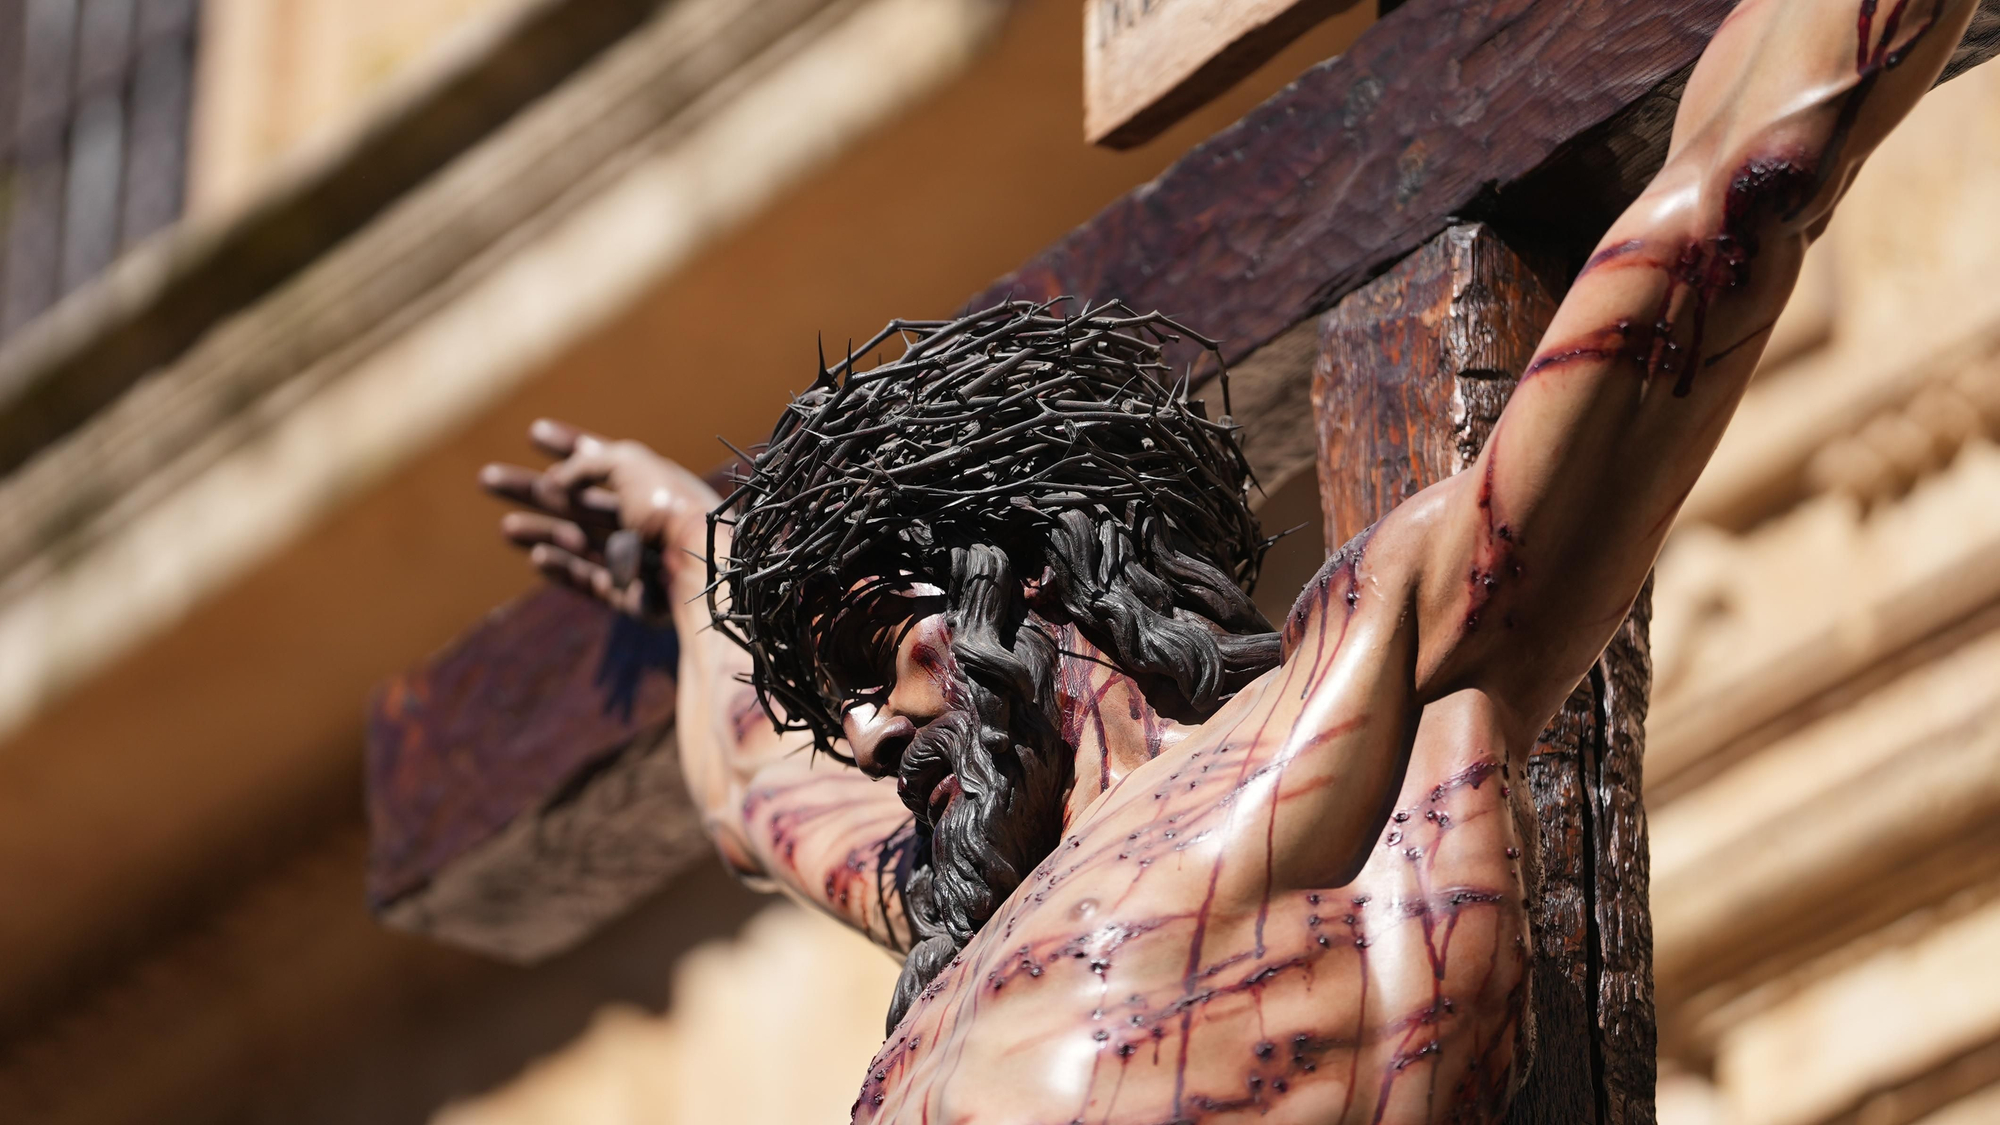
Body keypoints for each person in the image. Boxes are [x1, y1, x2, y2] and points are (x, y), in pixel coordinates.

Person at [479, 1, 1976, 1119]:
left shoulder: (1339, 716)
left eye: (879, 656)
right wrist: (694, 554)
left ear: (1039, 579)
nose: (866, 733)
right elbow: (759, 796)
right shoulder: (963, 912)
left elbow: (1721, 203)